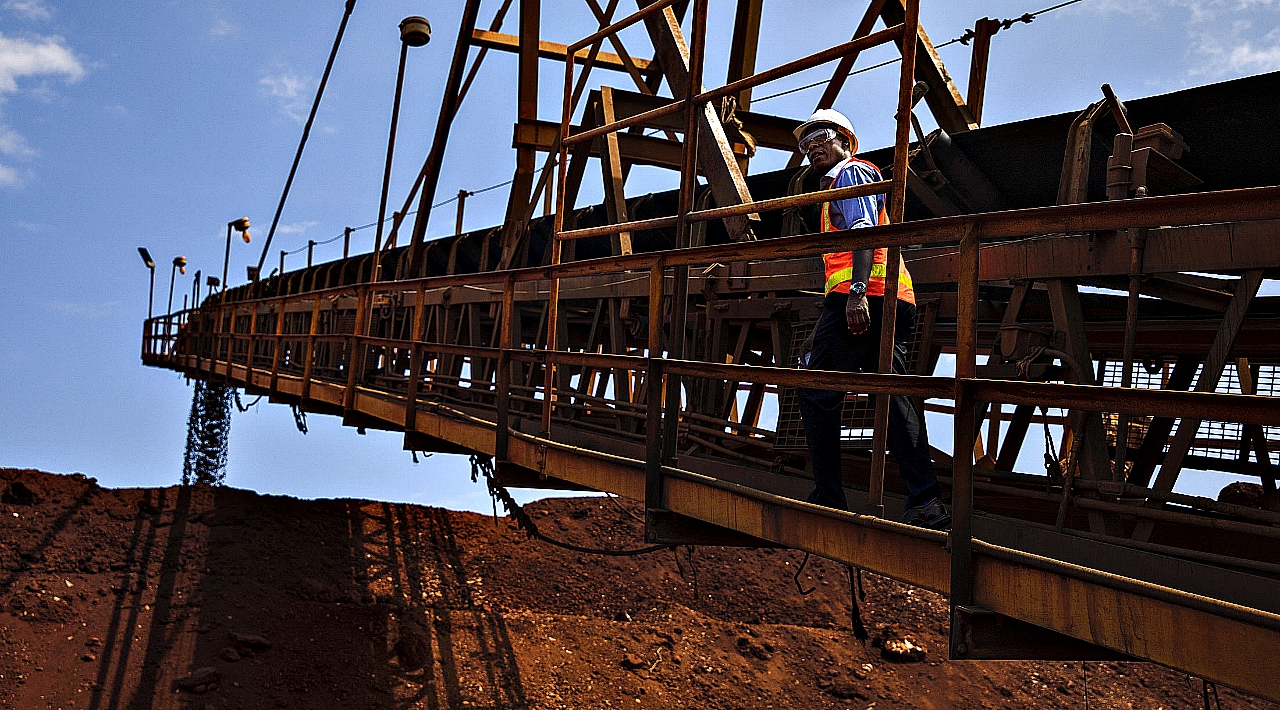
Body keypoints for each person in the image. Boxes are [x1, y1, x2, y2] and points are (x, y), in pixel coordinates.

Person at [793, 109, 950, 529]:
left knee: (817, 391)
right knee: (891, 395)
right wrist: (818, 329)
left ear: (846, 138)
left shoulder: (853, 173)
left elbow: (865, 231)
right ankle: (925, 502)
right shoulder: (836, 186)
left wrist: (857, 295)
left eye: (819, 138)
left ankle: (829, 495)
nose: (812, 149)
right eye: (805, 145)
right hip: (884, 298)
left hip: (867, 298)